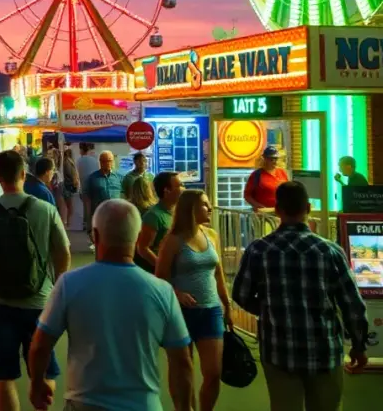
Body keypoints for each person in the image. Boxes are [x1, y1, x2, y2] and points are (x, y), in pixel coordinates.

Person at [28, 199, 193, 411]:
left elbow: (40, 345)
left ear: (95, 236)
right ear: (138, 235)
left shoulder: (69, 284)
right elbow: (181, 362)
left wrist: (37, 384)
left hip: (84, 405)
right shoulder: (162, 291)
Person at [233, 181, 369, 411]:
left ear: (277, 210)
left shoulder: (258, 250)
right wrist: (359, 344)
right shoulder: (330, 251)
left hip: (278, 350)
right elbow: (352, 304)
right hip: (325, 350)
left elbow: (241, 294)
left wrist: (267, 309)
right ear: (307, 207)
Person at [0, 150, 70, 411]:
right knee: (45, 369)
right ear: (24, 174)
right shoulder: (46, 210)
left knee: (4, 375)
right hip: (40, 301)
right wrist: (58, 289)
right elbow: (63, 254)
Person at [156, 189, 232, 411]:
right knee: (182, 367)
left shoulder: (212, 235)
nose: (209, 209)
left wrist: (226, 304)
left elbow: (218, 273)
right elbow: (160, 277)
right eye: (205, 204)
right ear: (191, 208)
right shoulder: (173, 240)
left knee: (213, 372)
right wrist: (178, 294)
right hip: (181, 312)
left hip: (210, 310)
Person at [135, 171, 182, 272]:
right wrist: (162, 267)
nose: (183, 189)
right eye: (180, 186)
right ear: (167, 190)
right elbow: (143, 248)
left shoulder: (178, 212)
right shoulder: (153, 216)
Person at [82, 151, 124, 251]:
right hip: (100, 214)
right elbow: (86, 199)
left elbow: (124, 195)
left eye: (110, 161)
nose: (108, 163)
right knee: (101, 242)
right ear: (100, 162)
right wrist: (88, 219)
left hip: (116, 215)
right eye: (106, 161)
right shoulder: (92, 178)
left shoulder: (119, 177)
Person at [243, 146, 288, 210]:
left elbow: (288, 191)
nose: (274, 161)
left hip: (281, 211)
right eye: (271, 159)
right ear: (265, 159)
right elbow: (247, 195)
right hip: (264, 213)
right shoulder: (256, 175)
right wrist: (258, 206)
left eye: (275, 159)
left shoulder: (282, 172)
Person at [60, 147, 79, 229]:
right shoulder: (68, 162)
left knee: (69, 207)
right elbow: (70, 174)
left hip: (69, 186)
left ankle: (68, 223)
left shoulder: (67, 161)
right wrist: (75, 180)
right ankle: (68, 224)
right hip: (69, 187)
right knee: (70, 207)